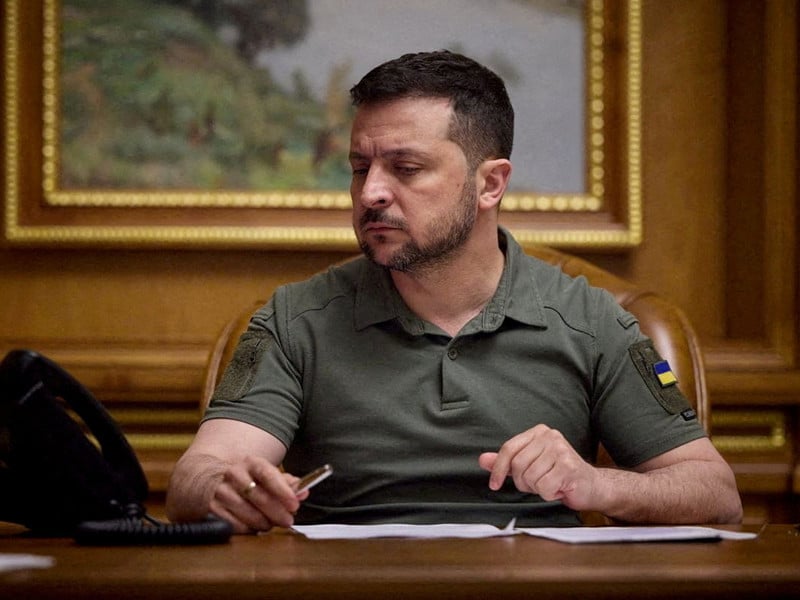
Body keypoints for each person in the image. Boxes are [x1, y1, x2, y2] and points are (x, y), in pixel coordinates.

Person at [166, 50, 742, 533]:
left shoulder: (591, 320)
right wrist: (223, 488)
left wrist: (597, 484)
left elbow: (715, 493)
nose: (370, 193)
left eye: (406, 168)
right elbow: (197, 474)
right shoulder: (295, 319)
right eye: (360, 167)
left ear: (490, 183)